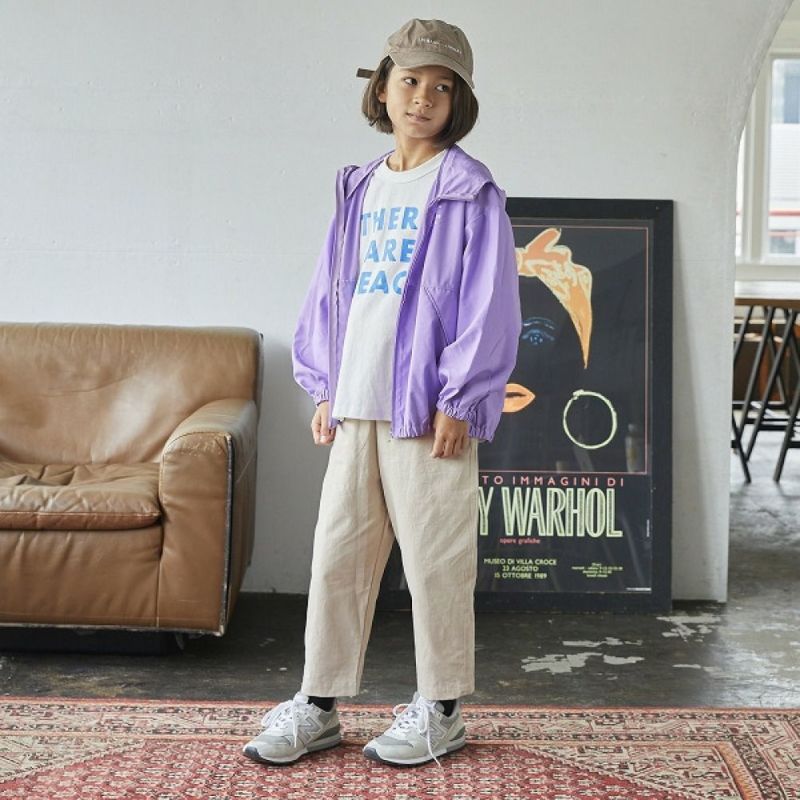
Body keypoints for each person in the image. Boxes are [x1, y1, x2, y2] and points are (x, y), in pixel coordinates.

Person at [243, 17, 521, 769]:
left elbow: (490, 303)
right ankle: (319, 704)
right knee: (338, 556)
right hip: (357, 401)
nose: (423, 97)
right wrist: (324, 384)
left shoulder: (469, 190)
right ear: (383, 88)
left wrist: (461, 399)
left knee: (436, 561)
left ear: (458, 102)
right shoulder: (360, 186)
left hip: (426, 411)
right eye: (411, 80)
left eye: (442, 87)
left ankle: (442, 709)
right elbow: (331, 291)